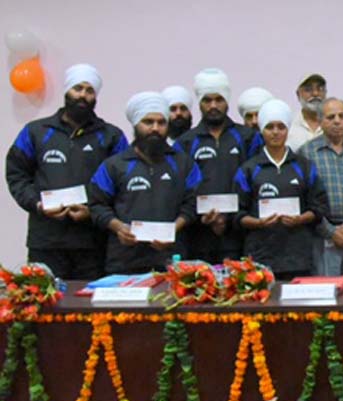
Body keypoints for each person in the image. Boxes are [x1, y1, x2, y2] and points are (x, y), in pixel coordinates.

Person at [5, 63, 128, 279]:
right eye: (77, 88)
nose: (83, 95)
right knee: (44, 298)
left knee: (89, 301)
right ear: (67, 91)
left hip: (93, 243)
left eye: (89, 91)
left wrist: (95, 212)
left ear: (95, 97)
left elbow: (124, 185)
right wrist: (38, 204)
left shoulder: (112, 136)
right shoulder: (35, 131)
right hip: (46, 241)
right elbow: (17, 174)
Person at [89, 92, 200, 274]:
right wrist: (119, 227)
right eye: (148, 122)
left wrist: (174, 229)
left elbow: (193, 203)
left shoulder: (184, 163)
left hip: (171, 260)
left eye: (161, 122)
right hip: (124, 261)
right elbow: (97, 204)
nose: (155, 128)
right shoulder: (114, 165)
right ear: (135, 125)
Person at [173, 68, 262, 264]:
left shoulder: (248, 137)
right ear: (199, 103)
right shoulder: (185, 142)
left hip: (239, 235)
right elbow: (180, 189)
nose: (213, 105)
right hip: (198, 235)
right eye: (207, 100)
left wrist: (231, 218)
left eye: (219, 99)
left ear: (227, 101)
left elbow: (256, 183)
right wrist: (201, 217)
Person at [234, 99, 329, 280]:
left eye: (281, 127)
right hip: (260, 256)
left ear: (288, 130)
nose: (276, 132)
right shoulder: (248, 169)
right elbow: (237, 214)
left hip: (298, 257)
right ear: (262, 130)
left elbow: (319, 207)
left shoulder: (304, 166)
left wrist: (300, 219)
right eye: (270, 127)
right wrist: (259, 223)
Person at [300, 98, 343, 276]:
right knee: (326, 289)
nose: (337, 121)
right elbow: (304, 199)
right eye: (330, 117)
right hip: (322, 235)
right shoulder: (306, 152)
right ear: (320, 121)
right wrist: (331, 232)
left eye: (342, 116)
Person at [287, 73, 327, 152]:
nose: (315, 94)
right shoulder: (288, 126)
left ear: (325, 93)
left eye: (320, 89)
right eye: (308, 89)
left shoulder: (338, 126)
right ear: (298, 94)